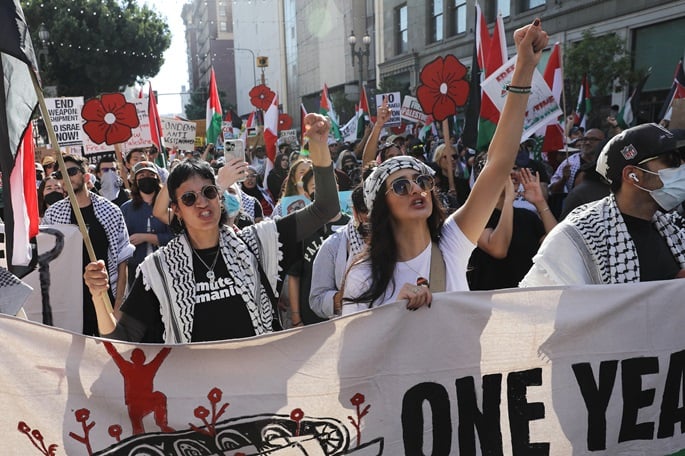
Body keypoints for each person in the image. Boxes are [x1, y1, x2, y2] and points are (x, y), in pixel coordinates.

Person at [340, 19, 548, 313]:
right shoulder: (363, 275)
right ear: (380, 206)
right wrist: (392, 315)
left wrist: (524, 67)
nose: (416, 189)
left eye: (422, 181)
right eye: (401, 185)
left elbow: (498, 164)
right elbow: (357, 351)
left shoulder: (453, 241)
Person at [82, 113, 340, 343]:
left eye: (208, 192)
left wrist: (318, 146)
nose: (202, 202)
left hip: (260, 388)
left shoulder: (259, 243)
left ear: (219, 196)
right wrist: (97, 295)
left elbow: (325, 208)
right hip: (196, 395)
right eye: (189, 198)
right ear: (177, 211)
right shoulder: (157, 269)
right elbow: (122, 338)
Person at [520, 123, 685, 286]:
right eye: (672, 160)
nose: (682, 167)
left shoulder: (674, 228)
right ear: (632, 175)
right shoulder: (579, 238)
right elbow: (551, 304)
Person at [44, 154, 134, 335]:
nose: (66, 178)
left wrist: (118, 305)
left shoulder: (110, 210)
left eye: (71, 171)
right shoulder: (53, 214)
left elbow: (123, 259)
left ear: (85, 176)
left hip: (105, 298)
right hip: (70, 302)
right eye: (61, 175)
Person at [467, 168, 557, 290]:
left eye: (515, 168)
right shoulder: (475, 216)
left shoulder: (528, 217)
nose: (513, 173)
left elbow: (557, 244)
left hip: (528, 297)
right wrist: (508, 201)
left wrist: (540, 202)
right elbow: (498, 250)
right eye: (506, 169)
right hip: (490, 302)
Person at [287, 168, 350, 326]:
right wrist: (296, 318)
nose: (324, 191)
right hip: (311, 318)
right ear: (307, 195)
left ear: (337, 188)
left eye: (329, 185)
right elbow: (294, 276)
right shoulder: (301, 227)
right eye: (316, 187)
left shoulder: (351, 224)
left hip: (347, 314)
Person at [310, 185, 368, 319]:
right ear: (355, 212)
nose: (372, 216)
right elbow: (317, 300)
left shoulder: (399, 237)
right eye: (366, 210)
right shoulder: (333, 246)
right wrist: (345, 297)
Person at [120, 161, 174, 288]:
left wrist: (146, 237)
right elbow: (120, 241)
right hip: (136, 267)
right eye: (142, 176)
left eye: (151, 175)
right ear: (136, 181)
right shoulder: (126, 209)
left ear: (157, 178)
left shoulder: (171, 205)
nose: (147, 178)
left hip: (166, 264)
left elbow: (177, 237)